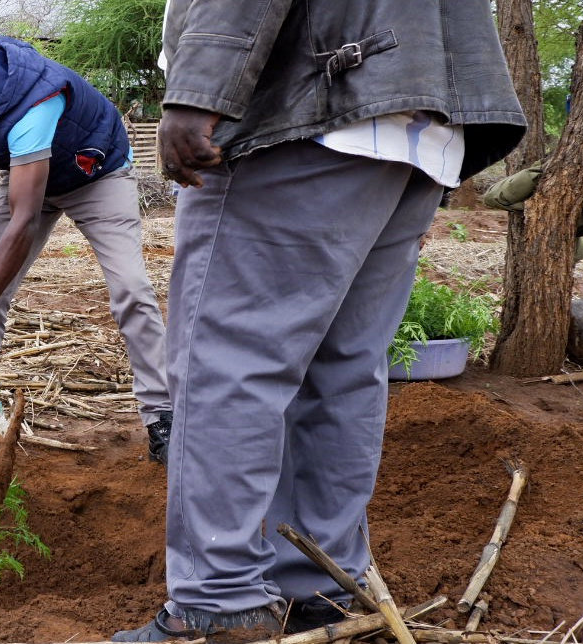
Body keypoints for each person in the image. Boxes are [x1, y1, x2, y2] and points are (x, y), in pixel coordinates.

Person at [116, 2, 526, 641]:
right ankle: (319, 587)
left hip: (311, 107)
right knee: (342, 368)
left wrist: (200, 88)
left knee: (228, 363)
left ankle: (217, 602)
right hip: (416, 125)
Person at [0, 26, 174, 465]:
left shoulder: (34, 99)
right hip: (27, 172)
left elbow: (25, 219)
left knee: (131, 290)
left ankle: (163, 415)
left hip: (95, 174)